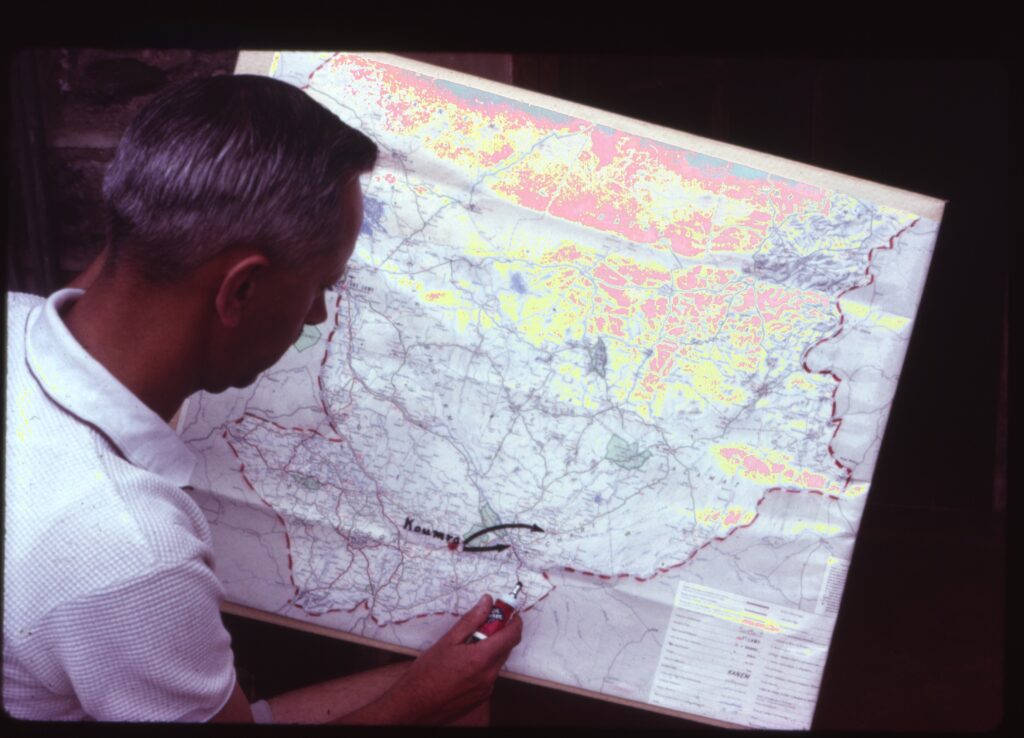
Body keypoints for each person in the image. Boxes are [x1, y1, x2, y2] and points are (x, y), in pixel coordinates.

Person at [4, 74, 522, 724]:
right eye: (318, 289)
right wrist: (421, 701)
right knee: (457, 711)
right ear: (240, 291)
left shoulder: (13, 318)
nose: (318, 316)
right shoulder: (132, 553)